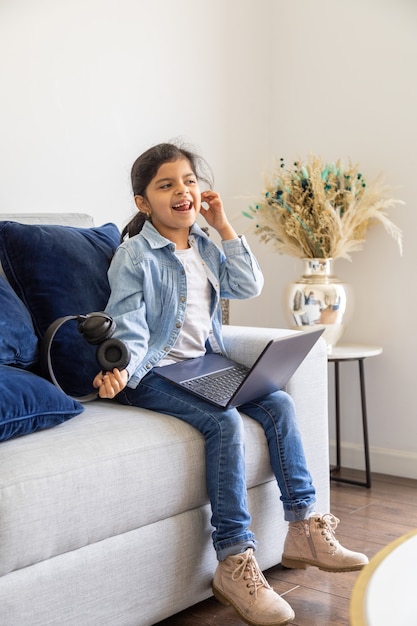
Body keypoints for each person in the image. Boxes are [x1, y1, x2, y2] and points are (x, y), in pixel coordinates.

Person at [93, 142, 368, 626]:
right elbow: (127, 323)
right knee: (222, 422)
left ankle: (304, 528)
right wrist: (120, 370)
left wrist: (223, 226)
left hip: (202, 364)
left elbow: (248, 284)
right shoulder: (134, 255)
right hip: (153, 372)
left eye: (189, 181)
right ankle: (234, 560)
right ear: (143, 202)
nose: (183, 191)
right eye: (167, 185)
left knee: (280, 402)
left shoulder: (203, 245)